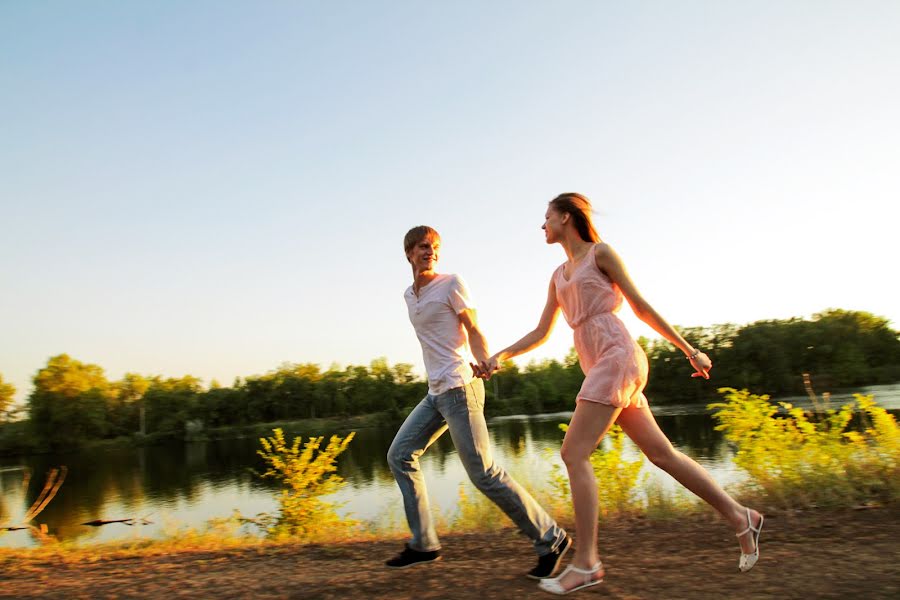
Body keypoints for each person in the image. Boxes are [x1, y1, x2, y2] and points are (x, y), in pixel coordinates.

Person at [473, 194, 764, 595]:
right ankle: (740, 515)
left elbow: (641, 306)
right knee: (662, 454)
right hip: (600, 365)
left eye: (546, 218)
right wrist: (500, 355)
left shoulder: (601, 254)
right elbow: (542, 332)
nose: (542, 226)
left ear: (565, 217)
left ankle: (587, 562)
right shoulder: (558, 275)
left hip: (618, 356)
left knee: (573, 453)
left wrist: (689, 349)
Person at [385, 225, 572, 579]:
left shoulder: (452, 283)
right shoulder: (410, 295)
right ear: (409, 252)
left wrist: (484, 358)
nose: (431, 252)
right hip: (435, 392)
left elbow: (472, 328)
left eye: (436, 247)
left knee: (483, 473)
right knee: (399, 455)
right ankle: (424, 543)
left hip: (461, 387)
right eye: (424, 246)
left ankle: (551, 537)